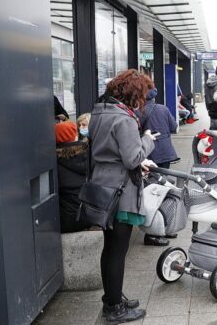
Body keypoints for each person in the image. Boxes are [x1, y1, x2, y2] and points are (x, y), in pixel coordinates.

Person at [89, 69, 155, 323]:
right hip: (120, 191)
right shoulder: (123, 119)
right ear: (133, 93)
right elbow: (132, 157)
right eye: (142, 95)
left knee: (109, 248)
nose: (143, 101)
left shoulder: (99, 111)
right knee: (118, 250)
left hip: (102, 185)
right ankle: (114, 308)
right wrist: (147, 140)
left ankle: (112, 297)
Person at [136, 87, 180, 247]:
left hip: (149, 155)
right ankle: (164, 227)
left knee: (152, 194)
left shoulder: (137, 112)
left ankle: (153, 232)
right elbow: (174, 127)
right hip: (165, 154)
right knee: (165, 190)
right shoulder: (163, 109)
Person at [55, 121, 89, 233]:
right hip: (88, 216)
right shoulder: (87, 154)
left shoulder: (54, 161)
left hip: (65, 221)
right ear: (74, 136)